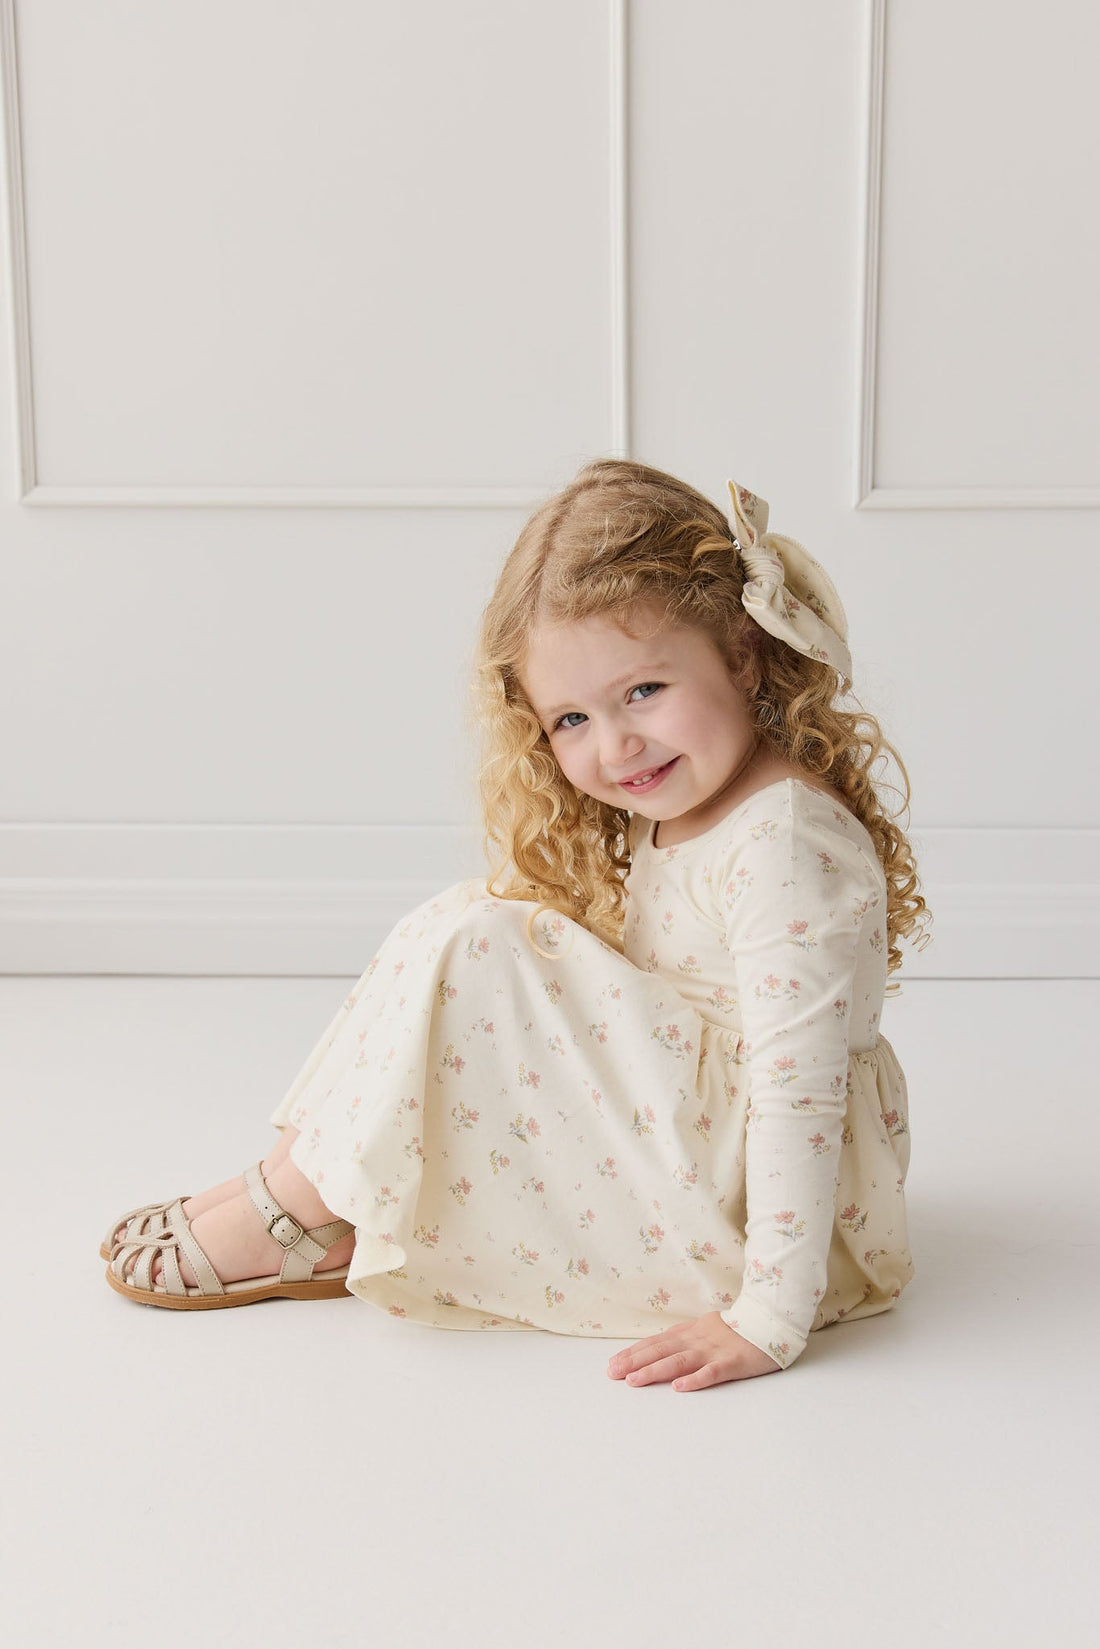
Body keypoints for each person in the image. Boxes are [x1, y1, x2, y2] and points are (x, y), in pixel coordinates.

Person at [102, 459, 932, 1388]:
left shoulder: (783, 845)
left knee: (484, 948)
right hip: (697, 1142)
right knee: (468, 914)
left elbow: (800, 1093)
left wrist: (771, 1314)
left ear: (742, 653)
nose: (616, 746)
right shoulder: (694, 798)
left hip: (759, 1211)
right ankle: (304, 1183)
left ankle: (295, 1210)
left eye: (644, 691)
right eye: (571, 717)